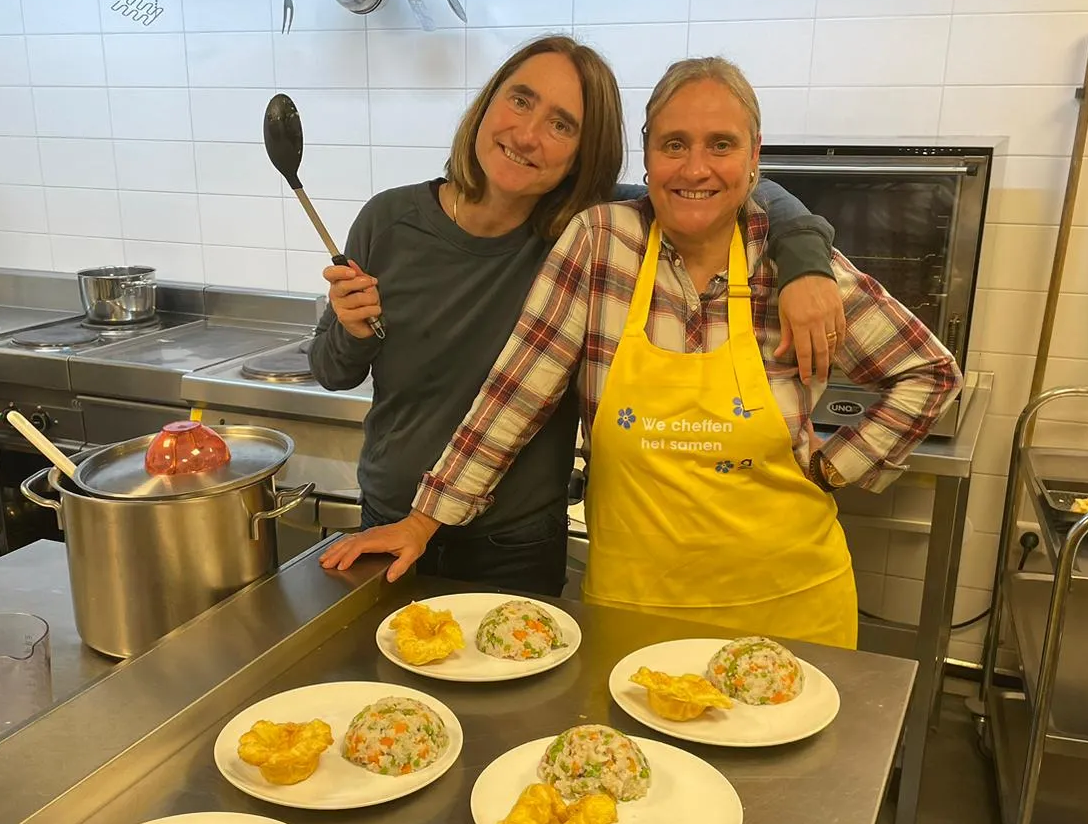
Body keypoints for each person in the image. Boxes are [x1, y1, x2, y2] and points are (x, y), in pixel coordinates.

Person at [322, 57, 962, 648]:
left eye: (721, 144)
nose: (694, 168)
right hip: (634, 604)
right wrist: (423, 520)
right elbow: (515, 396)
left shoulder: (795, 269)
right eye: (673, 144)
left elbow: (930, 372)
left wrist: (832, 470)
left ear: (755, 156)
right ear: (648, 156)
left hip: (790, 603)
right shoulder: (603, 241)